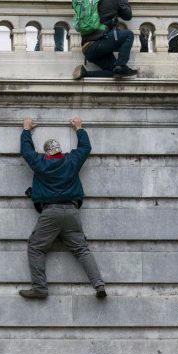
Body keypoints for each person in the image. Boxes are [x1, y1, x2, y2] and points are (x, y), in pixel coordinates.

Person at [18, 116, 105, 299]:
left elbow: (26, 151)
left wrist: (26, 130)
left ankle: (40, 288)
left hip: (51, 212)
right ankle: (98, 284)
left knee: (36, 247)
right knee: (82, 249)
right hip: (72, 212)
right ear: (60, 151)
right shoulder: (71, 161)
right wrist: (79, 128)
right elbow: (85, 148)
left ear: (47, 153)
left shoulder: (41, 163)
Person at [72, 0, 136, 79]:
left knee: (114, 72)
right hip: (99, 43)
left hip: (87, 49)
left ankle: (85, 73)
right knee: (129, 35)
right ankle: (121, 64)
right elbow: (128, 15)